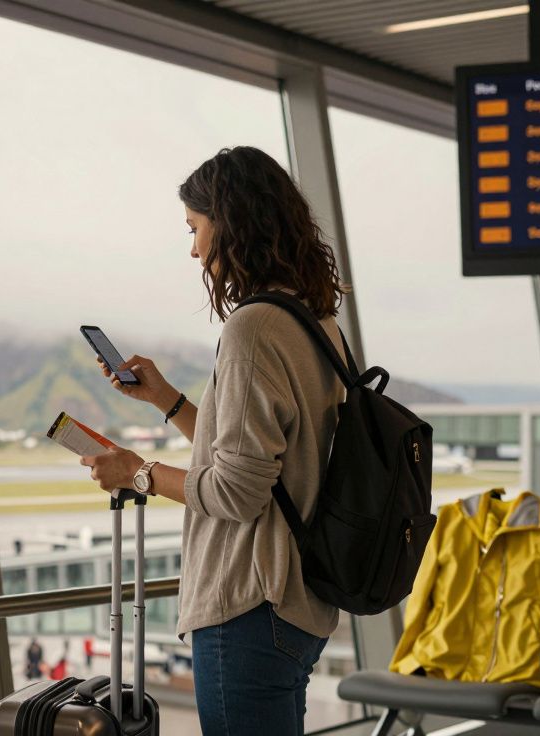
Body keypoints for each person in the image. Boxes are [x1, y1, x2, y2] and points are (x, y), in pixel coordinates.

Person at [79, 146, 346, 736]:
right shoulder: (314, 320)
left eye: (196, 229)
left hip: (248, 605)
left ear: (231, 224)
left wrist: (135, 473)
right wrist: (166, 400)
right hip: (298, 600)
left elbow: (236, 492)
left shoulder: (253, 327)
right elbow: (261, 460)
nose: (194, 249)